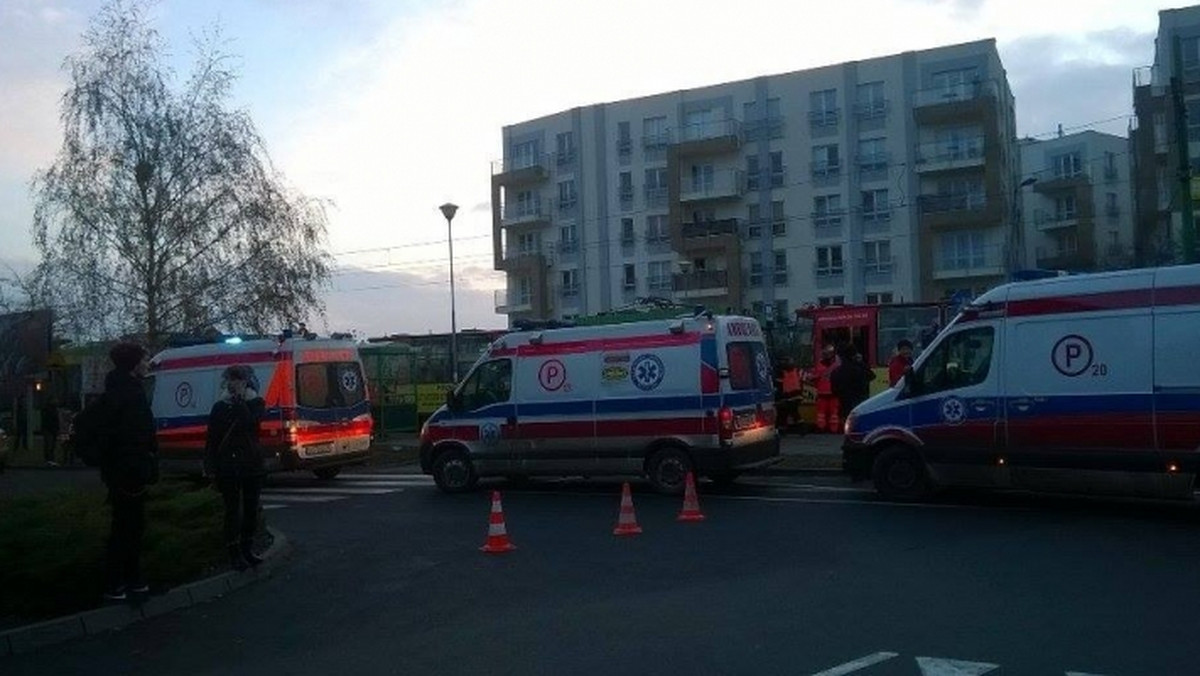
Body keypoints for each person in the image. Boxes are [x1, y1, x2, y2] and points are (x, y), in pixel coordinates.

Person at [101, 342, 160, 601]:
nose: (147, 365)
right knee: (129, 528)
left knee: (125, 526)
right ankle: (122, 582)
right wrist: (143, 464)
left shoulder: (115, 390)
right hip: (129, 471)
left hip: (119, 469)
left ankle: (128, 581)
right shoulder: (130, 394)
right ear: (134, 364)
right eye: (144, 360)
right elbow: (137, 435)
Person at [204, 364, 266, 571]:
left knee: (250, 508)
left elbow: (249, 423)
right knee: (232, 510)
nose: (234, 383)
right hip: (228, 466)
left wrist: (240, 401)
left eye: (238, 379)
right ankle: (233, 552)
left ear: (246, 382)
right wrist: (210, 465)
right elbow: (212, 439)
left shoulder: (256, 403)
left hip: (251, 464)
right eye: (231, 379)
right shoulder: (219, 407)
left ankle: (247, 548)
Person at [831, 347, 877, 425]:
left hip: (844, 402)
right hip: (859, 400)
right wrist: (861, 363)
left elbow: (834, 389)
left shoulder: (837, 371)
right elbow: (872, 376)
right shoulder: (859, 368)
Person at [805, 344, 841, 433]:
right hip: (834, 392)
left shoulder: (820, 365)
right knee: (834, 413)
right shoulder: (838, 365)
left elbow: (813, 377)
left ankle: (821, 428)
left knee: (821, 413)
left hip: (822, 393)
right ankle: (834, 429)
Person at [41, 399, 61, 466]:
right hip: (50, 429)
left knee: (50, 445)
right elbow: (56, 420)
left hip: (49, 429)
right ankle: (50, 459)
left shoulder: (47, 410)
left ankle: (49, 459)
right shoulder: (53, 410)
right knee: (50, 445)